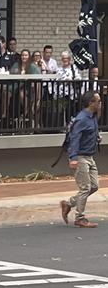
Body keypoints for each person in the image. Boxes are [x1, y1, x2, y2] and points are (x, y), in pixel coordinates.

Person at [60, 90, 102, 229]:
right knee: (85, 188)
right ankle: (80, 217)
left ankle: (69, 203)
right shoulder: (82, 119)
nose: (100, 103)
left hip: (89, 156)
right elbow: (75, 139)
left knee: (94, 186)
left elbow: (90, 132)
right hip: (80, 156)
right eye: (98, 101)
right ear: (91, 103)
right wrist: (73, 158)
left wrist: (96, 137)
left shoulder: (92, 117)